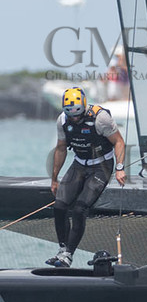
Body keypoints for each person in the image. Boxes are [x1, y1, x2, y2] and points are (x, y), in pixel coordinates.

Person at [45, 86, 127, 267]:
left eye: (77, 114)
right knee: (59, 206)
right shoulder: (63, 121)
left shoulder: (100, 118)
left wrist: (120, 168)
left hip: (101, 166)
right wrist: (54, 178)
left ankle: (68, 255)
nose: (74, 117)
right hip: (79, 164)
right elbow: (60, 149)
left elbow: (119, 142)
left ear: (83, 106)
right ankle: (62, 250)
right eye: (70, 114)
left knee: (80, 209)